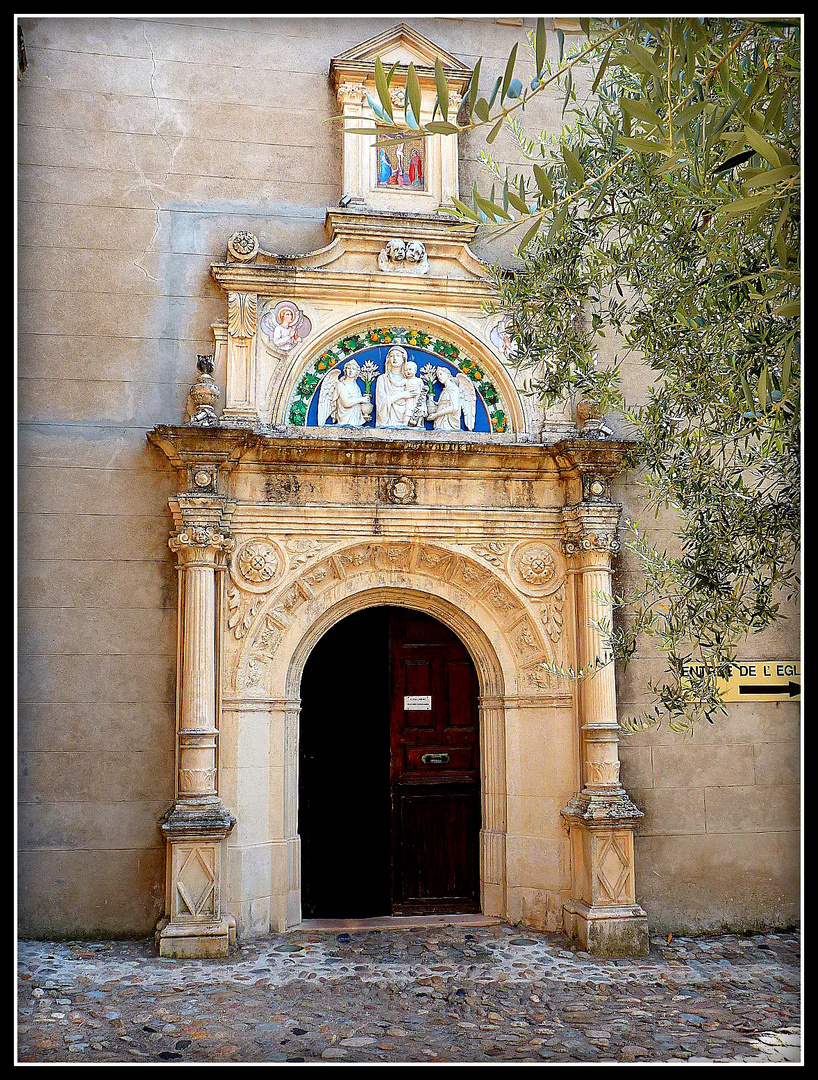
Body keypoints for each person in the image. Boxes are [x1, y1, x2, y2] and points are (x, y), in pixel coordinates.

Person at [375, 346, 415, 427]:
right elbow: (381, 402)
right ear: (388, 359)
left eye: (398, 355)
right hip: (389, 420)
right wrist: (402, 395)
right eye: (392, 356)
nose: (394, 358)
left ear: (403, 359)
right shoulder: (382, 379)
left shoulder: (410, 380)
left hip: (406, 417)